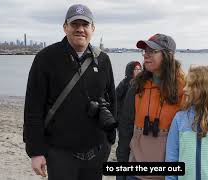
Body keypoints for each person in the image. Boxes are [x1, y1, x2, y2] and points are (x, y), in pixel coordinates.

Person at [23, 4, 116, 180]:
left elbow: (112, 100)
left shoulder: (103, 60)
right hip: (59, 153)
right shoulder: (45, 58)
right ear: (65, 27)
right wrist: (35, 152)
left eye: (85, 25)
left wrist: (109, 140)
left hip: (96, 152)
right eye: (75, 24)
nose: (80, 29)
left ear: (93, 28)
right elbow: (33, 109)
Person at [116, 33, 185, 180]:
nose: (146, 56)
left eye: (152, 51)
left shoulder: (184, 87)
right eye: (145, 51)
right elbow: (126, 127)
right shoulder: (136, 86)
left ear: (169, 55)